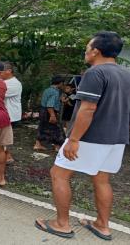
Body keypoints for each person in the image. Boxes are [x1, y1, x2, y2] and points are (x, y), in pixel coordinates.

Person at [35, 31, 130, 240]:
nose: (86, 51)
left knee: (59, 174)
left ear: (95, 51)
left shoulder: (95, 73)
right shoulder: (126, 74)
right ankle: (102, 225)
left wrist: (74, 140)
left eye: (87, 47)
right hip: (117, 138)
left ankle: (61, 224)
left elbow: (88, 109)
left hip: (90, 137)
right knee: (102, 180)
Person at [34, 76, 65, 152]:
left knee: (42, 126)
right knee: (56, 128)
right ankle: (57, 146)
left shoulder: (47, 90)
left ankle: (37, 144)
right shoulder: (55, 92)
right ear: (60, 83)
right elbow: (50, 105)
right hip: (49, 111)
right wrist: (52, 115)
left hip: (42, 110)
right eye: (62, 83)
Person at [0, 62, 22, 163]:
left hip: (10, 115)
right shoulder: (3, 81)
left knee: (3, 138)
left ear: (9, 71)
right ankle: (4, 156)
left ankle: (7, 157)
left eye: (1, 71)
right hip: (3, 114)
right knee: (1, 137)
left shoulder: (14, 84)